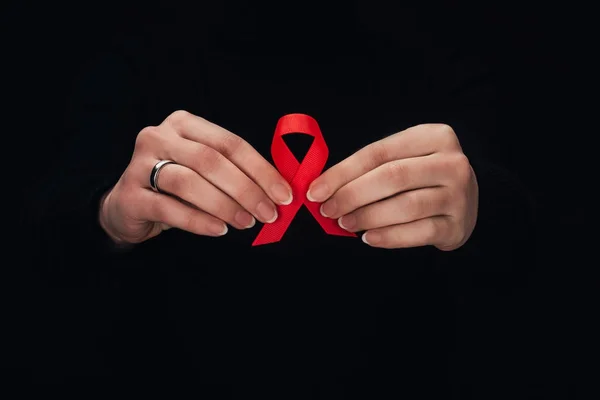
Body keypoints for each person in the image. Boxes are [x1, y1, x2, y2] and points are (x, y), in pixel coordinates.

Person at [20, 3, 534, 397]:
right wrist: (108, 213)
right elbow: (46, 233)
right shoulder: (140, 50)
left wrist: (478, 207)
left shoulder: (439, 50)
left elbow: (531, 239)